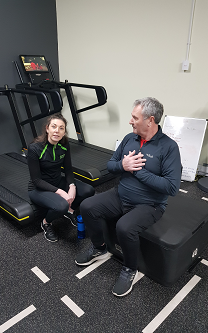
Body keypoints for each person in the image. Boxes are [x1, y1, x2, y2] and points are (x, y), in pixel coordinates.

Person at [75, 97, 181, 297]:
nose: (130, 121)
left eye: (134, 117)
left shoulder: (169, 148)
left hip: (150, 205)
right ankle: (100, 248)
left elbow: (172, 187)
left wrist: (138, 172)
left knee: (124, 227)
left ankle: (130, 268)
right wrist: (123, 166)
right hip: (120, 194)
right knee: (88, 207)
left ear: (150, 120)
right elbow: (111, 165)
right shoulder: (128, 139)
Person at [27, 113, 95, 242]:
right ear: (47, 128)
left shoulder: (64, 145)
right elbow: (36, 180)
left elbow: (68, 170)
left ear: (64, 132)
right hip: (38, 188)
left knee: (88, 190)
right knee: (61, 205)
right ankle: (46, 223)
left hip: (58, 181)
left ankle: (70, 211)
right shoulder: (34, 148)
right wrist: (61, 192)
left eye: (61, 128)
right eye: (54, 126)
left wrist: (72, 186)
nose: (57, 130)